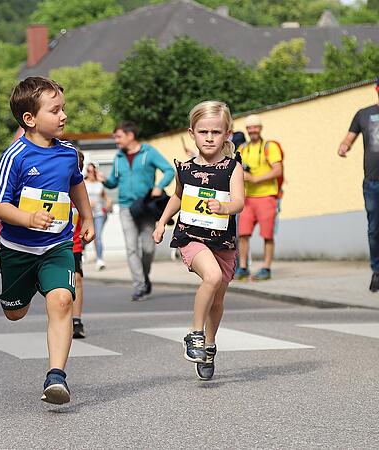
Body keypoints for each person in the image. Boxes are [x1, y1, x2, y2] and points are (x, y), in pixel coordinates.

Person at [0, 76, 94, 404]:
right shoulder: (16, 156)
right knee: (15, 313)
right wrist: (27, 217)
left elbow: (76, 184)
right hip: (18, 249)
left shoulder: (67, 154)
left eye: (63, 108)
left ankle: (56, 377)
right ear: (30, 119)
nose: (63, 116)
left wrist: (87, 217)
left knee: (62, 300)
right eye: (55, 110)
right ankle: (25, 290)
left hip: (57, 244)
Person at [153, 100, 244, 381]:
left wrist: (225, 208)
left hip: (222, 241)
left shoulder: (232, 167)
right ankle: (194, 334)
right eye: (203, 132)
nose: (209, 138)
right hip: (191, 236)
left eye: (216, 132)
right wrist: (161, 222)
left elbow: (239, 201)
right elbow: (178, 196)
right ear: (192, 133)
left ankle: (210, 343)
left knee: (217, 297)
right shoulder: (185, 168)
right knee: (212, 277)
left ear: (227, 134)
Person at [99, 121, 175, 301]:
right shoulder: (118, 157)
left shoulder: (148, 152)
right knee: (131, 248)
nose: (116, 140)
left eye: (118, 136)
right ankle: (140, 285)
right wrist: (103, 180)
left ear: (130, 135)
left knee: (148, 248)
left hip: (145, 206)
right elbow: (113, 182)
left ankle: (144, 277)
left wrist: (159, 186)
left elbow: (169, 171)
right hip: (126, 207)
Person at [339, 77, 379, 292]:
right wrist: (344, 146)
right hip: (373, 182)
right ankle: (377, 270)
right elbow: (349, 138)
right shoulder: (363, 114)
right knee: (374, 229)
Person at [234, 114, 283, 281]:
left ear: (260, 128)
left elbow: (278, 170)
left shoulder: (270, 146)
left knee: (267, 234)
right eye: (249, 127)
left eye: (255, 127)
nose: (252, 130)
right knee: (243, 234)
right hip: (247, 198)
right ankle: (242, 267)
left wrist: (255, 179)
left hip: (266, 196)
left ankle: (266, 268)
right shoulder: (242, 148)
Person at [83, 162, 111, 270]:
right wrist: (87, 204)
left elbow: (107, 198)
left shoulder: (99, 184)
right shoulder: (84, 183)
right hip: (86, 214)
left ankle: (99, 259)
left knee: (98, 237)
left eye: (92, 171)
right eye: (89, 171)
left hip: (99, 214)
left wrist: (106, 207)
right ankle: (82, 251)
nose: (91, 173)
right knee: (85, 236)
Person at [72, 151, 87, 339]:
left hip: (73, 245)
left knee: (77, 280)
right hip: (49, 245)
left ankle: (76, 320)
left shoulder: (79, 192)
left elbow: (86, 216)